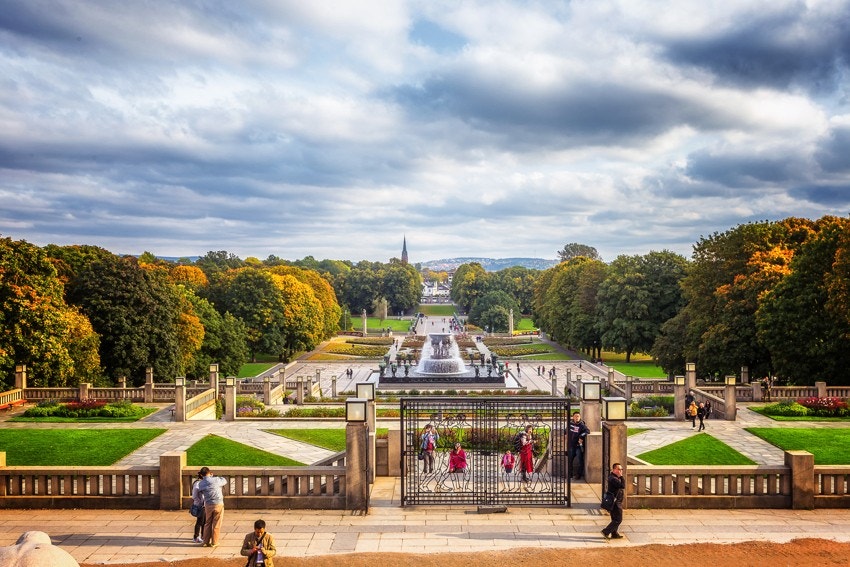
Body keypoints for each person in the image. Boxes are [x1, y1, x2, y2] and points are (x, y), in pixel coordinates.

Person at [197, 466, 227, 548]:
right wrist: (212, 476)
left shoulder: (201, 483)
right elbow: (224, 480)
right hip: (218, 503)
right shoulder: (216, 479)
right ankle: (214, 542)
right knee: (216, 523)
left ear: (202, 474)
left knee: (207, 523)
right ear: (209, 472)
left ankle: (206, 541)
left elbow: (201, 492)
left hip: (208, 504)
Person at [601, 463, 626, 539]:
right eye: (619, 469)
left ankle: (614, 533)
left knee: (614, 518)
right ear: (614, 469)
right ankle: (606, 531)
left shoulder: (613, 477)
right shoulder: (613, 478)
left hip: (615, 501)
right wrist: (621, 476)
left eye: (621, 469)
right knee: (618, 519)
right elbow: (622, 486)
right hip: (615, 502)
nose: (620, 471)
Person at [567, 411, 590, 480]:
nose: (577, 418)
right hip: (571, 445)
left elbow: (587, 431)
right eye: (575, 416)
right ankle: (570, 474)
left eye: (578, 416)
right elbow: (566, 430)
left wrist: (581, 436)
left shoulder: (582, 425)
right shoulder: (570, 423)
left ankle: (578, 475)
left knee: (580, 460)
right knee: (570, 460)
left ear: (580, 417)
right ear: (573, 417)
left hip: (578, 446)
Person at [190, 469, 206, 543]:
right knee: (200, 521)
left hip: (204, 505)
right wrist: (200, 503)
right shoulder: (197, 483)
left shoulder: (203, 482)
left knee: (204, 521)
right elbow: (194, 496)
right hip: (200, 506)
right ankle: (196, 537)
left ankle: (203, 535)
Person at [518, 425, 535, 490]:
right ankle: (523, 477)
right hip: (524, 451)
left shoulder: (529, 435)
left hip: (528, 451)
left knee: (527, 463)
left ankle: (524, 477)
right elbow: (524, 443)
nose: (531, 430)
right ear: (527, 429)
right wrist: (531, 441)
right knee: (524, 463)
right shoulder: (524, 435)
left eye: (531, 429)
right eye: (529, 429)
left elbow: (529, 443)